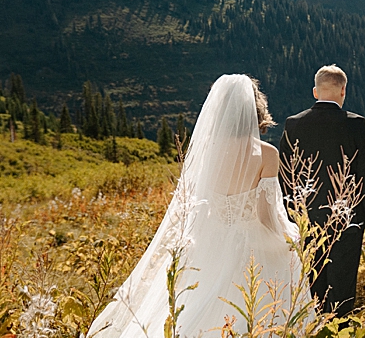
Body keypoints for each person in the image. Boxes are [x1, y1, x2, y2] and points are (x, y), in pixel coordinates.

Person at [88, 75, 301, 338]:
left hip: (210, 239)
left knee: (202, 301)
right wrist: (286, 236)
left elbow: (200, 202)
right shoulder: (267, 154)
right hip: (251, 243)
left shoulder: (207, 152)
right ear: (255, 110)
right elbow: (265, 213)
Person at [279, 64, 365, 317]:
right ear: (343, 90)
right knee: (342, 283)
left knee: (312, 280)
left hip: (306, 218)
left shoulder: (294, 124)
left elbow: (285, 176)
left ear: (315, 91)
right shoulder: (356, 124)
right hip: (348, 217)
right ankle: (339, 329)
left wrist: (290, 216)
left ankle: (313, 327)